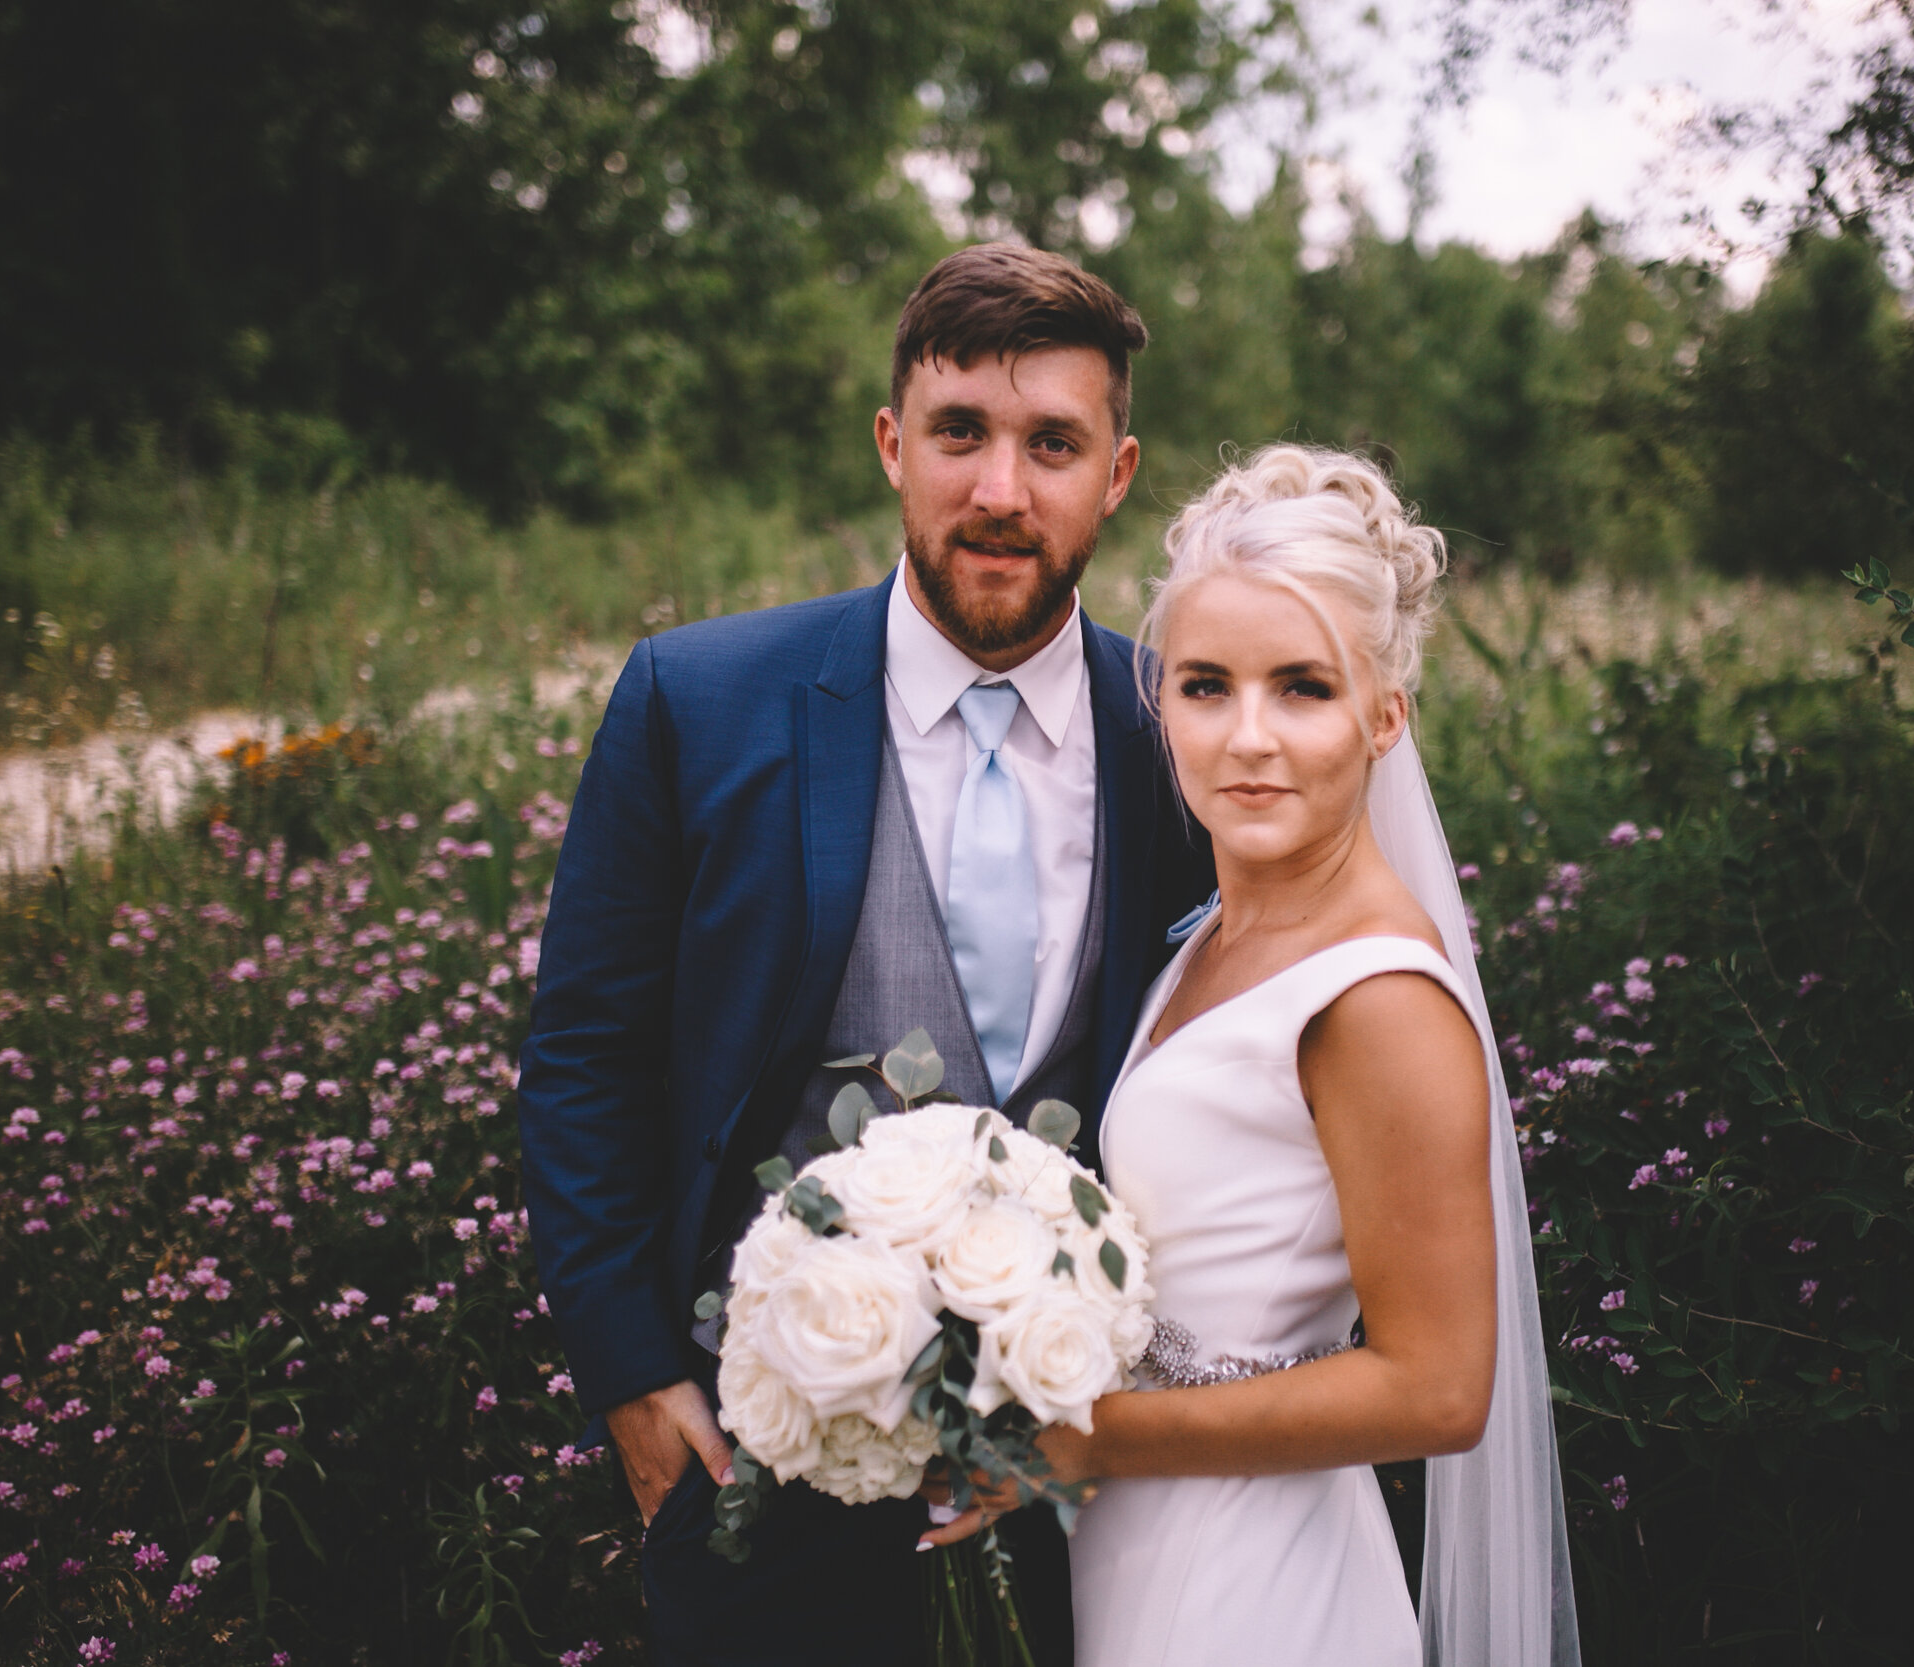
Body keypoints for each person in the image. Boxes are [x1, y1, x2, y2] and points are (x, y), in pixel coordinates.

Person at [518, 244, 1215, 1666]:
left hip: (1099, 1485)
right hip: (758, 1462)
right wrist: (635, 1375)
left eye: (1054, 444)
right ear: (895, 443)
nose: (1001, 490)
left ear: (1120, 472)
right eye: (960, 431)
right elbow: (583, 1054)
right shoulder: (697, 700)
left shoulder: (1187, 732)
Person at [922, 446, 1583, 1665]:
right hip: (1143, 1547)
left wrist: (1095, 1434)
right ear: (1157, 698)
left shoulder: (1376, 995)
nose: (1248, 738)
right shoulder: (1221, 932)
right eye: (1206, 685)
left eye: (1303, 688)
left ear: (1385, 712)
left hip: (1259, 1578)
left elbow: (1435, 1389)